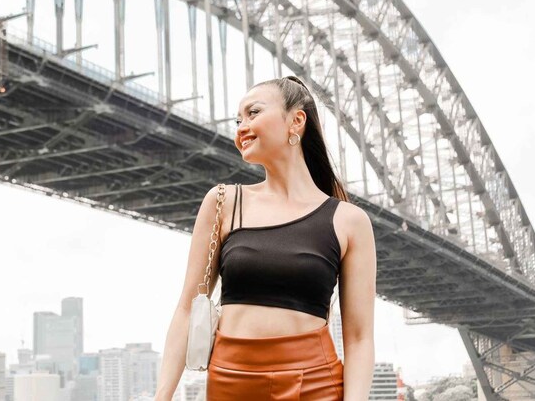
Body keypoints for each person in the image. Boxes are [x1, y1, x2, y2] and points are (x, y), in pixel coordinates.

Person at [154, 76, 376, 400]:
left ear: (296, 121)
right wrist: (162, 395)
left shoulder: (349, 221)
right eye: (238, 120)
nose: (241, 127)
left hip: (315, 383)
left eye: (253, 113)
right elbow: (188, 308)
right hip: (230, 381)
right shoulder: (221, 203)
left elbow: (358, 338)